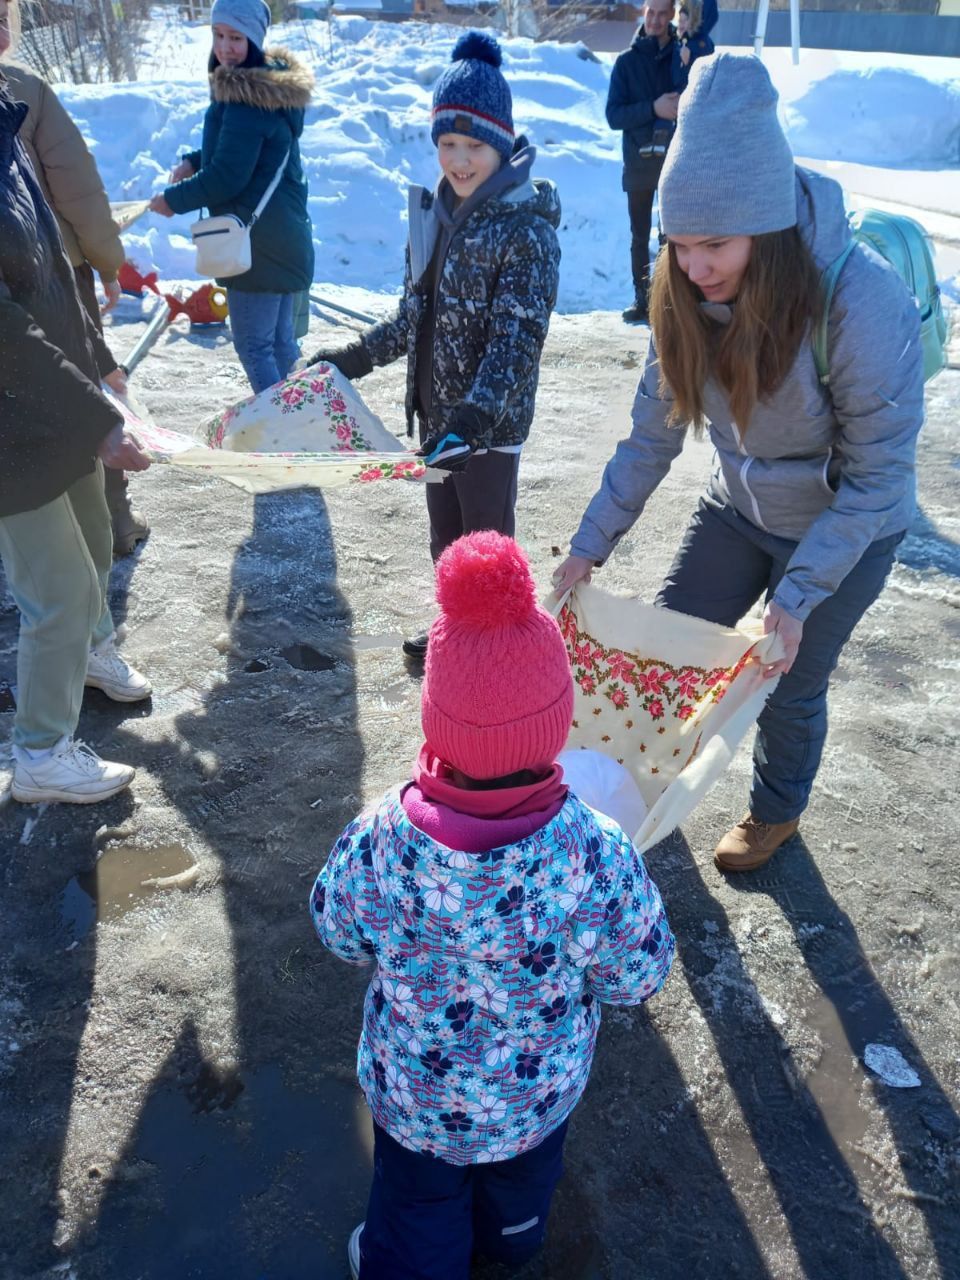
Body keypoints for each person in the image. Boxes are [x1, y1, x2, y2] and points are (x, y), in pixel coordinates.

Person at [554, 54, 924, 873]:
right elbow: (650, 437)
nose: (694, 267)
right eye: (678, 245)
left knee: (786, 682)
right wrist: (588, 546)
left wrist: (793, 601)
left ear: (769, 227)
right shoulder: (681, 292)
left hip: (844, 526)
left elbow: (878, 479)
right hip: (739, 508)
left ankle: (775, 812)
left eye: (714, 245)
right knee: (666, 650)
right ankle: (639, 795)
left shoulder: (858, 301)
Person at [311, 530, 674, 1280]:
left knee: (415, 1204)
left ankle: (408, 1265)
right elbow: (637, 976)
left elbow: (337, 927)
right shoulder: (596, 852)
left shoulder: (383, 834)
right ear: (556, 721)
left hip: (415, 1094)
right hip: (533, 1097)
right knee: (520, 1191)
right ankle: (509, 1245)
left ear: (435, 715)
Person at [307, 31, 561, 662]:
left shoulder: (525, 231)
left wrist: (473, 421)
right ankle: (458, 638)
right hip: (439, 420)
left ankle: (500, 656)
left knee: (487, 551)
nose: (459, 158)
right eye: (447, 143)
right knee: (446, 545)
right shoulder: (435, 217)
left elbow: (516, 341)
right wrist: (354, 358)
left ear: (501, 143)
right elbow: (410, 318)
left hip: (485, 429)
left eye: (474, 144)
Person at [1, 69, 153, 804]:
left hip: (57, 397)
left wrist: (100, 367)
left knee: (96, 543)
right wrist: (96, 420)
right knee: (55, 590)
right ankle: (39, 753)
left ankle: (91, 652)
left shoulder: (10, 122)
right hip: (8, 427)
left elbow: (54, 276)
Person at [0, 0, 149, 556]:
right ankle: (115, 524)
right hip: (45, 280)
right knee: (90, 396)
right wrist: (108, 263)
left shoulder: (20, 94)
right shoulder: (28, 88)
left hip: (43, 272)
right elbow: (79, 191)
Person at [149, 0, 314, 395]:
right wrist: (194, 159)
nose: (225, 46)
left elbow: (227, 176)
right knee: (279, 344)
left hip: (257, 244)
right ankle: (306, 423)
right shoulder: (265, 88)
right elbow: (245, 151)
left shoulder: (243, 97)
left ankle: (284, 435)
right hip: (281, 235)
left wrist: (174, 200)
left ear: (254, 39)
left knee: (255, 347)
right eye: (219, 35)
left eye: (236, 37)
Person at [606, 0, 679, 326]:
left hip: (674, 162)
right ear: (644, 12)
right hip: (637, 162)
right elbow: (614, 115)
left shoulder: (682, 56)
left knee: (672, 235)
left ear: (673, 15)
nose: (656, 20)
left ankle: (671, 302)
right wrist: (653, 108)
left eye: (663, 13)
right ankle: (642, 299)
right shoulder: (625, 63)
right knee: (639, 235)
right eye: (651, 12)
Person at [672, 0, 717, 93]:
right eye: (680, 20)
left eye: (685, 20)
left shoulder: (702, 43)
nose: (681, 24)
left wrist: (688, 62)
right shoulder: (678, 42)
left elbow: (706, 76)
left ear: (693, 20)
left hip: (693, 96)